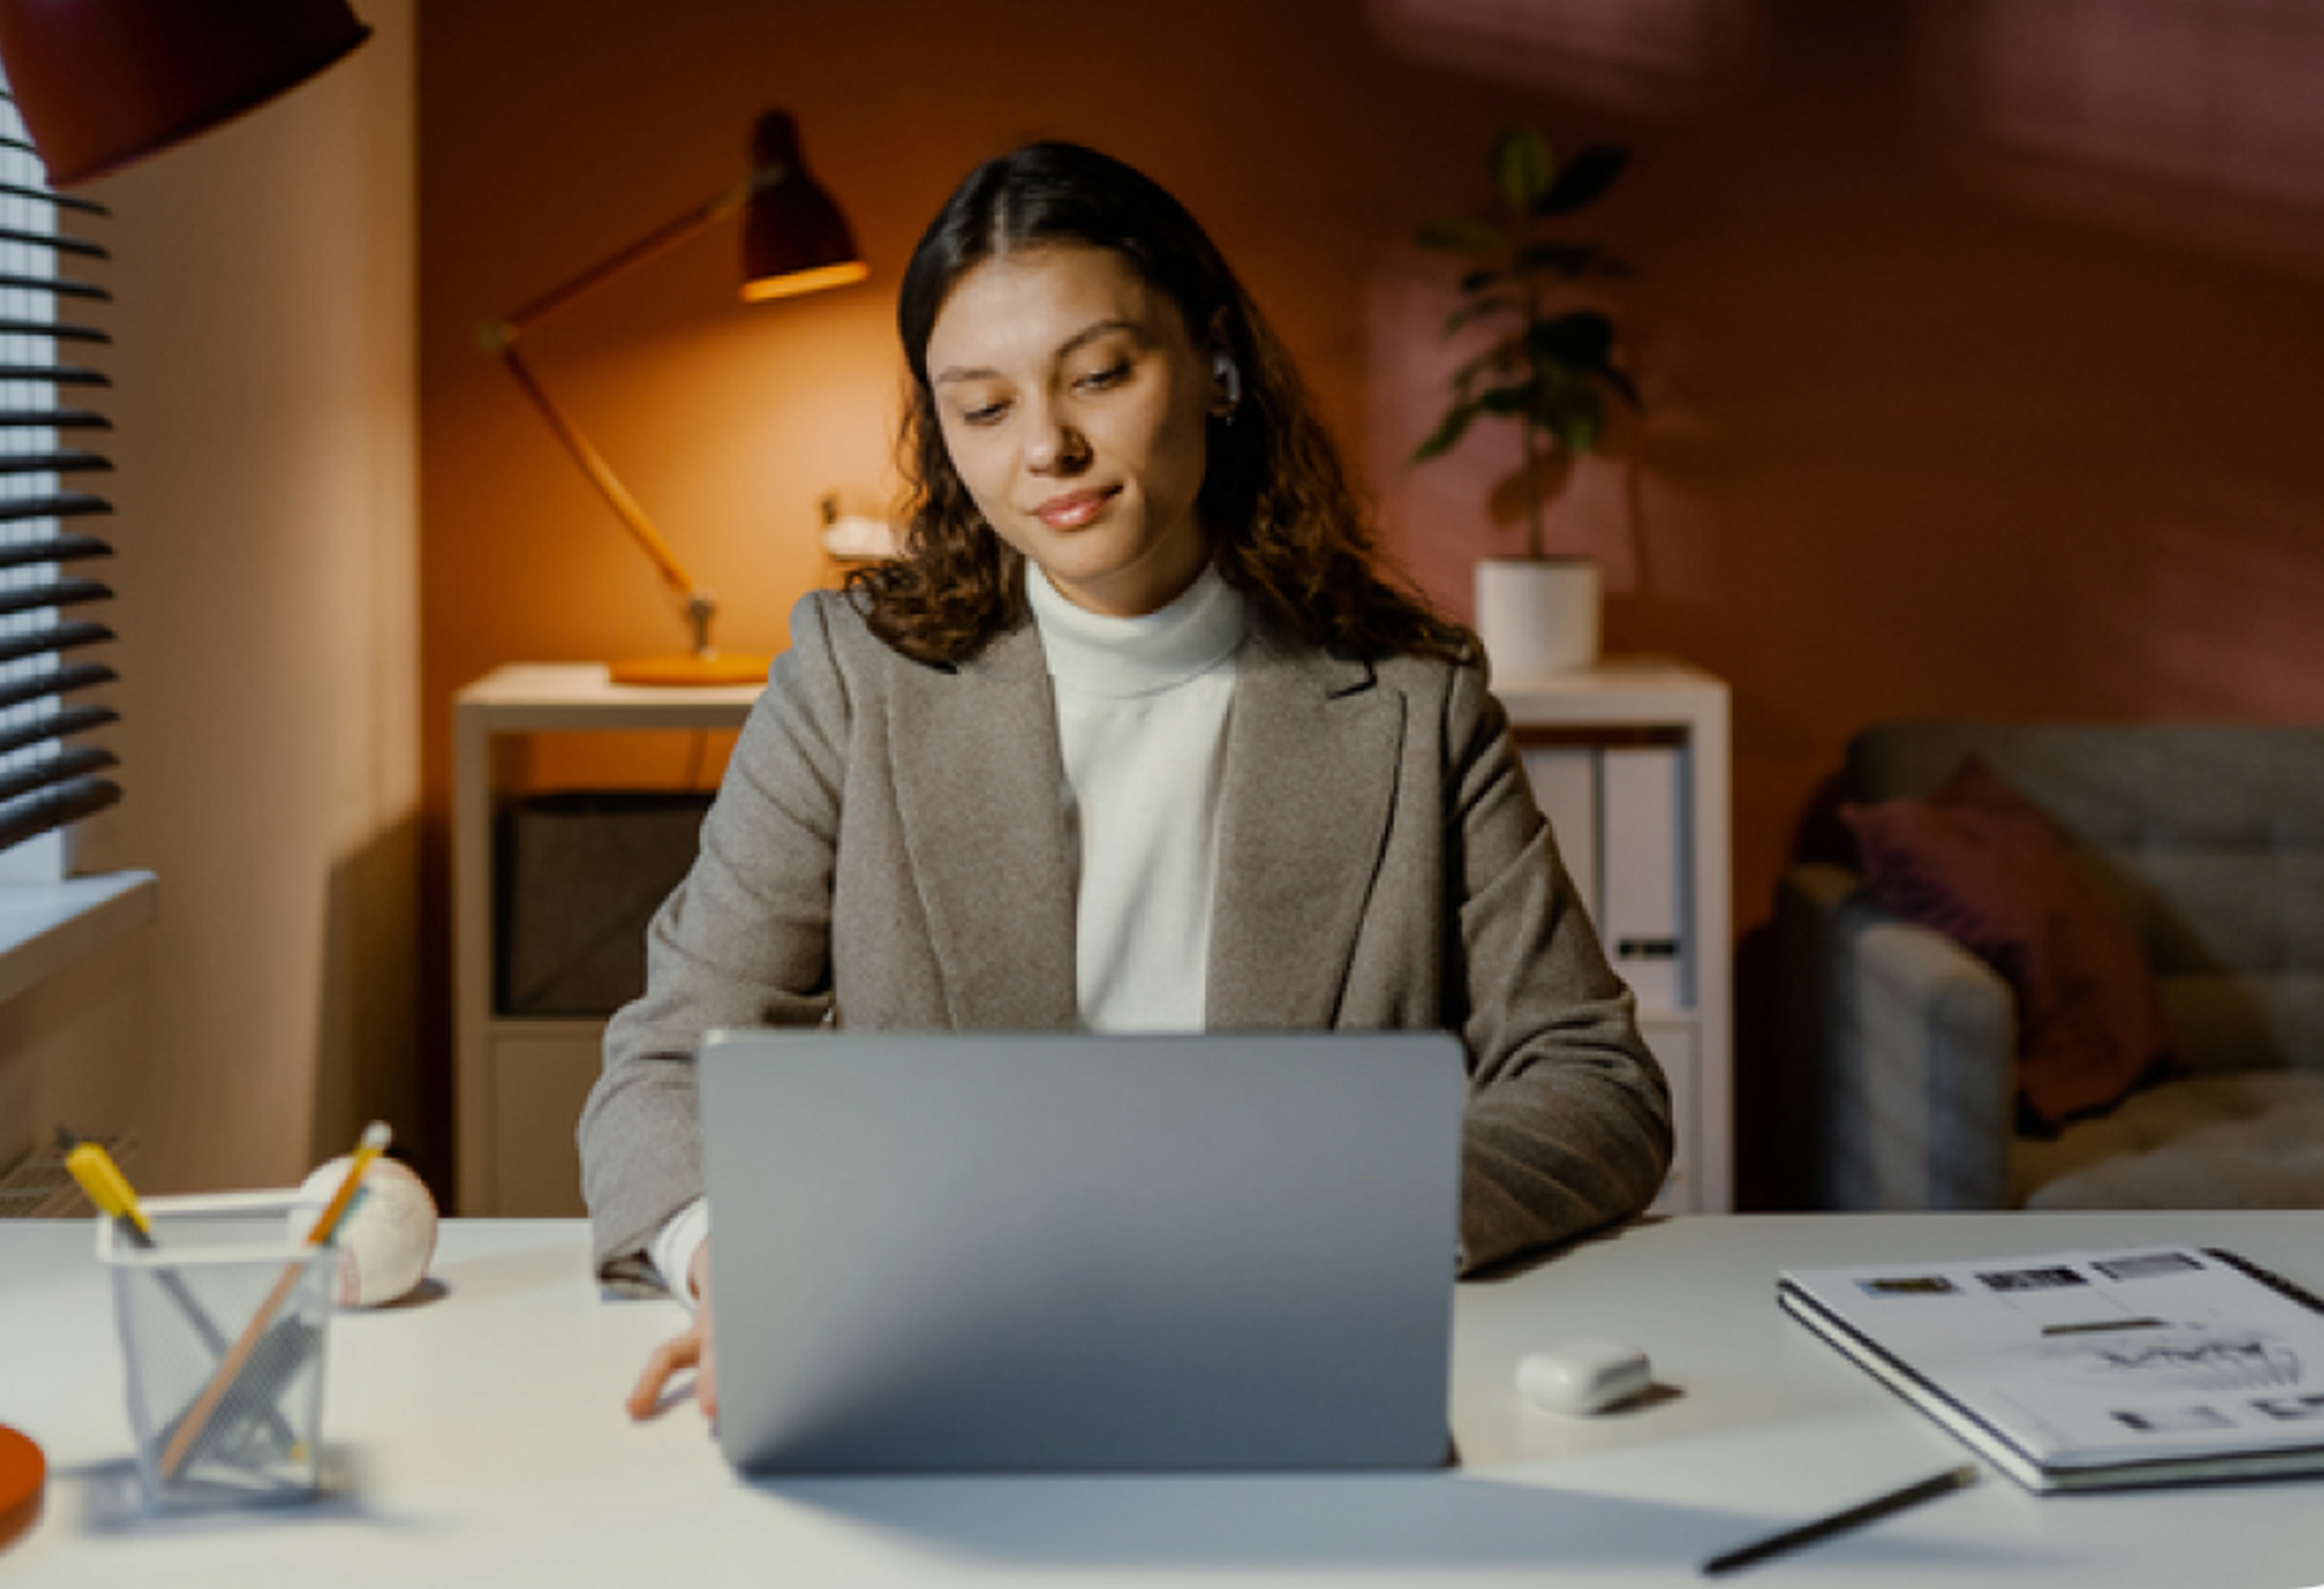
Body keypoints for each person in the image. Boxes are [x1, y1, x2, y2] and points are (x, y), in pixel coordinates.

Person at [580, 139, 1672, 1422]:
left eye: (1099, 375)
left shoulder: (1412, 700)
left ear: (1214, 364)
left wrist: (1333, 1223)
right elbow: (664, 1064)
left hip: (1295, 1365)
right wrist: (741, 1260)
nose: (1048, 446)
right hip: (941, 1362)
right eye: (983, 409)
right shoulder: (852, 678)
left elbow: (1594, 1083)